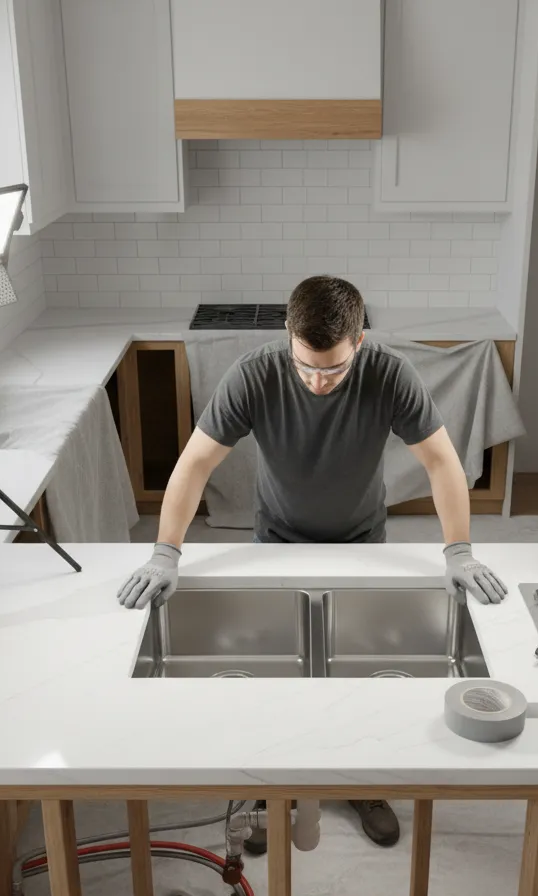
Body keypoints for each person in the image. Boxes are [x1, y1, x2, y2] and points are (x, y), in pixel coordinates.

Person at [117, 275, 508, 850]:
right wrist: (164, 552)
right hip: (277, 541)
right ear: (288, 337)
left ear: (361, 342)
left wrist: (458, 550)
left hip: (361, 543)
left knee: (363, 670)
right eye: (306, 367)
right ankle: (268, 788)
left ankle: (362, 782)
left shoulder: (390, 374)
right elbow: (196, 461)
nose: (317, 382)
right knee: (272, 675)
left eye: (333, 369)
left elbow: (442, 463)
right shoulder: (255, 373)